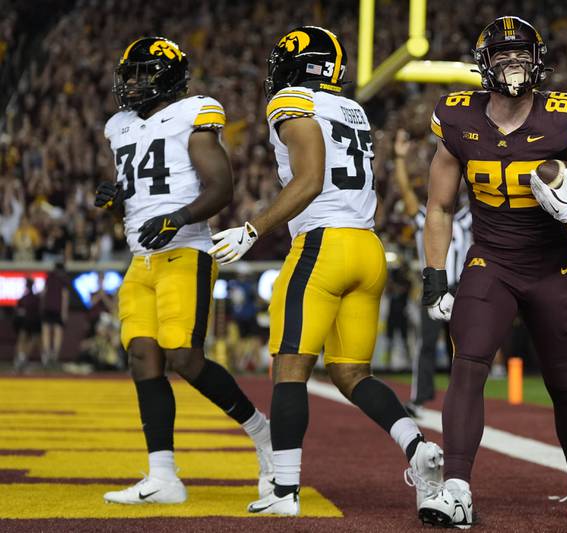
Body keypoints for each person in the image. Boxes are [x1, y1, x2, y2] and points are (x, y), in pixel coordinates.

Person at [208, 26, 443, 517]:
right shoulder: (353, 108)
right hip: (367, 247)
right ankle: (419, 449)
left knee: (290, 367)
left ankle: (284, 492)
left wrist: (252, 230)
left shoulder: (291, 101)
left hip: (323, 244)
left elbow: (312, 179)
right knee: (352, 373)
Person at [419, 17, 567, 526]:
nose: (513, 63)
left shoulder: (564, 116)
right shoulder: (457, 116)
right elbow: (440, 207)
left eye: (521, 54)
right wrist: (434, 277)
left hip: (551, 269)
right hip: (490, 263)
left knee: (565, 385)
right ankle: (457, 488)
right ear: (484, 63)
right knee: (467, 365)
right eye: (503, 55)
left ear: (538, 60)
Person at [96, 37, 272, 505]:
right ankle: (163, 475)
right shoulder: (119, 126)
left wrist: (179, 218)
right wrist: (115, 204)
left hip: (186, 251)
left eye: (144, 73)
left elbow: (221, 187)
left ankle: (262, 432)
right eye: (129, 73)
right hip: (141, 258)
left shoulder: (194, 113)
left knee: (183, 356)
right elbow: (135, 206)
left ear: (169, 76)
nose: (133, 83)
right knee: (142, 357)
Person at [392, 129, 472, 415]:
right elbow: (407, 195)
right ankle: (419, 398)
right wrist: (400, 160)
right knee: (427, 344)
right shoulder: (424, 217)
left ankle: (463, 400)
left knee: (465, 350)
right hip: (435, 286)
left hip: (463, 287)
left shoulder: (465, 218)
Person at [41, 261, 70, 368]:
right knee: (57, 333)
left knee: (46, 332)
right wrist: (64, 312)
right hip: (57, 309)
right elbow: (64, 296)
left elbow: (44, 293)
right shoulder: (64, 279)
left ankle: (47, 354)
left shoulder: (49, 277)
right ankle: (54, 356)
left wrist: (42, 306)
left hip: (47, 308)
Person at [13, 278, 41, 371]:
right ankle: (22, 358)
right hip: (29, 322)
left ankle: (22, 358)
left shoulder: (25, 298)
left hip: (28, 322)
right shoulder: (35, 298)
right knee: (27, 339)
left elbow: (18, 311)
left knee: (25, 339)